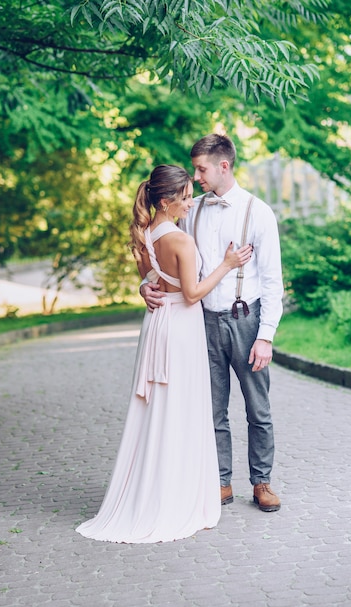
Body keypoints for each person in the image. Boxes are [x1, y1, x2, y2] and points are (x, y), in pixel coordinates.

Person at [76, 164, 252, 543]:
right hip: (181, 328)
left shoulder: (144, 234)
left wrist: (144, 287)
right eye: (185, 197)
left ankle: (155, 490)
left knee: (158, 409)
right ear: (165, 200)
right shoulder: (180, 241)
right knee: (183, 409)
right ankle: (177, 497)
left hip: (157, 326)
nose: (190, 203)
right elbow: (191, 293)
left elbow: (149, 278)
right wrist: (227, 265)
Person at [141, 135, 284, 512]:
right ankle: (220, 481)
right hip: (200, 321)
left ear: (223, 166)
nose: (196, 176)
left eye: (201, 169)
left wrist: (265, 337)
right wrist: (145, 286)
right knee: (211, 407)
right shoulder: (191, 210)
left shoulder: (259, 211)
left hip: (246, 319)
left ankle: (262, 482)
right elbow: (166, 259)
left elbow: (272, 281)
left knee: (258, 407)